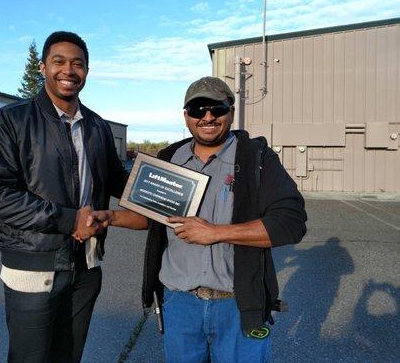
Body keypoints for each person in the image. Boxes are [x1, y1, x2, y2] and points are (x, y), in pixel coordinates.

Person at [86, 76, 307, 363]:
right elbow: (154, 219)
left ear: (231, 110)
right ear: (186, 116)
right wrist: (111, 216)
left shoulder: (257, 158)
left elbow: (291, 222)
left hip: (237, 305)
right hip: (180, 304)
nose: (208, 117)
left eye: (217, 109)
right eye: (198, 110)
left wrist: (217, 232)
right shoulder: (169, 158)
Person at [0, 31, 129, 363]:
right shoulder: (12, 120)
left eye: (78, 64)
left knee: (69, 356)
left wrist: (170, 190)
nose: (69, 71)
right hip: (34, 267)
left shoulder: (97, 126)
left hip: (86, 265)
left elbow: (120, 181)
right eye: (59, 62)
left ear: (87, 71)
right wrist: (69, 219)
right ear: (43, 67)